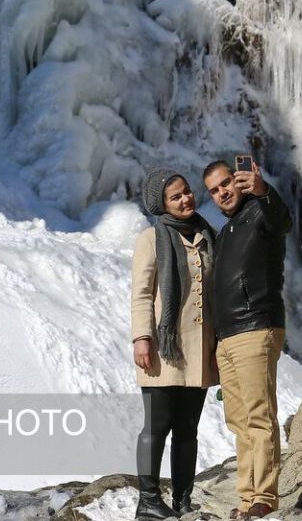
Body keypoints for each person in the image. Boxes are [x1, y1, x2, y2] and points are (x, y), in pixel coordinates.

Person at [202, 159, 292, 519]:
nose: (222, 192)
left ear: (240, 181)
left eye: (226, 183)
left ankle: (264, 499)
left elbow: (283, 219)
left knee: (259, 415)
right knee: (239, 423)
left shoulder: (261, 213)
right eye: (214, 189)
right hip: (228, 338)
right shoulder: (224, 233)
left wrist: (263, 189)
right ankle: (246, 498)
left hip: (256, 326)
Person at [131, 168, 218, 519]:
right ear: (161, 204)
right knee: (157, 425)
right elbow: (141, 294)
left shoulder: (206, 234)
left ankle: (183, 499)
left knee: (187, 430)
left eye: (187, 192)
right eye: (176, 196)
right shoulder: (151, 239)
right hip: (164, 349)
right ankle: (148, 501)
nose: (186, 199)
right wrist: (142, 338)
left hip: (199, 350)